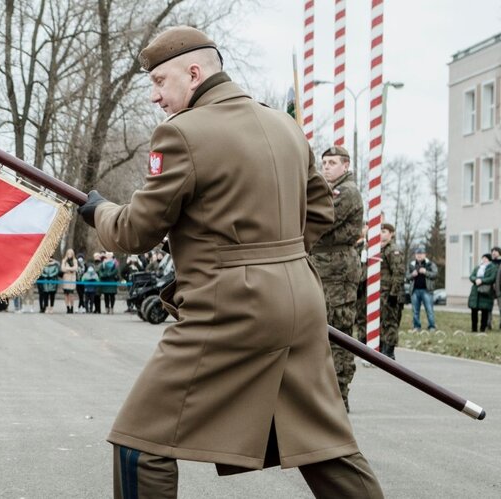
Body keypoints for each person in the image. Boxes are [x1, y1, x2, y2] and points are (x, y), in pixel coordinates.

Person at [77, 26, 383, 498]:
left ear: (194, 73)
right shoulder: (284, 125)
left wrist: (99, 211)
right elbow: (319, 209)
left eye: (160, 81)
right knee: (324, 443)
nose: (155, 96)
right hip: (300, 301)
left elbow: (135, 232)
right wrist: (273, 257)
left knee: (141, 439)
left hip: (232, 306)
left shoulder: (181, 133)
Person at [310, 145, 364, 412]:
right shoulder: (328, 191)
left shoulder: (347, 192)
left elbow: (321, 218)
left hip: (338, 272)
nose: (327, 167)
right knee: (322, 332)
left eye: (332, 163)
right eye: (324, 163)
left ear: (346, 165)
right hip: (323, 268)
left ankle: (339, 397)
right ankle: (325, 396)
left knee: (339, 335)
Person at [379, 224, 405, 359]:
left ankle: (389, 352)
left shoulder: (393, 250)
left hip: (391, 294)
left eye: (384, 231)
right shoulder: (381, 250)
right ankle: (383, 349)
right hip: (382, 294)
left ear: (391, 234)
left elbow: (398, 274)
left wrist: (394, 294)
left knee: (390, 323)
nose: (381, 234)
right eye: (380, 231)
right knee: (382, 322)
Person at [406, 246, 439, 331]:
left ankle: (432, 326)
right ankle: (416, 326)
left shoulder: (430, 264)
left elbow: (435, 274)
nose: (419, 256)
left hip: (427, 291)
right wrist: (412, 275)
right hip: (415, 291)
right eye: (417, 254)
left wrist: (426, 272)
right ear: (415, 255)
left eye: (421, 254)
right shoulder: (412, 265)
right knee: (415, 311)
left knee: (429, 310)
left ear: (425, 255)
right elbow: (407, 277)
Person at [468, 254, 496, 332]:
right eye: (482, 258)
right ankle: (474, 328)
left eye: (485, 258)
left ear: (488, 259)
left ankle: (482, 328)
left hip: (485, 292)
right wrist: (476, 279)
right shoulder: (478, 267)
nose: (483, 260)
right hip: (475, 292)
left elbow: (492, 278)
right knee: (474, 310)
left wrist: (482, 280)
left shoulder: (492, 267)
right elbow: (471, 276)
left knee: (485, 311)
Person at [61, 249, 79, 313]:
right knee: (66, 294)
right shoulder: (64, 261)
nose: (69, 254)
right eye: (68, 253)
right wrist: (70, 269)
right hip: (66, 279)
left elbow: (75, 268)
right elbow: (62, 269)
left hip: (72, 279)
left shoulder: (75, 261)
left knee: (71, 294)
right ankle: (67, 307)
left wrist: (68, 269)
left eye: (71, 253)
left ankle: (72, 307)